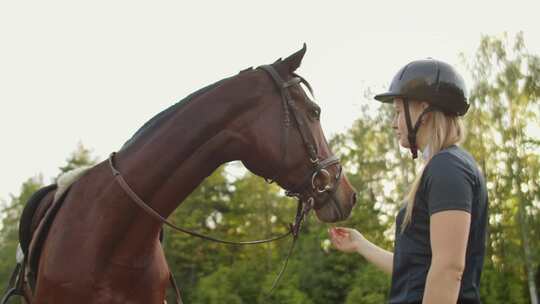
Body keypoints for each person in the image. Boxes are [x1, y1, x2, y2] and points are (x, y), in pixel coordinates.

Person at [329, 59, 488, 304]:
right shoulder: (445, 166)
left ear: (422, 112)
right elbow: (416, 271)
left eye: (398, 112)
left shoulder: (448, 167)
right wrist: (361, 245)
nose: (394, 123)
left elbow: (449, 270)